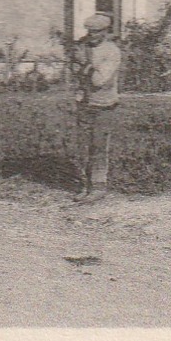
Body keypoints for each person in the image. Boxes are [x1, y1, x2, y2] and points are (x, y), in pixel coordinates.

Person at [71, 13, 122, 202]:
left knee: (98, 146)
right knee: (83, 146)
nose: (91, 35)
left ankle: (99, 186)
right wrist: (81, 66)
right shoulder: (83, 48)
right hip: (84, 102)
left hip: (104, 104)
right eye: (89, 31)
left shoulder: (112, 51)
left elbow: (100, 80)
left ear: (105, 32)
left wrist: (85, 64)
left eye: (96, 32)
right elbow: (75, 71)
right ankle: (85, 185)